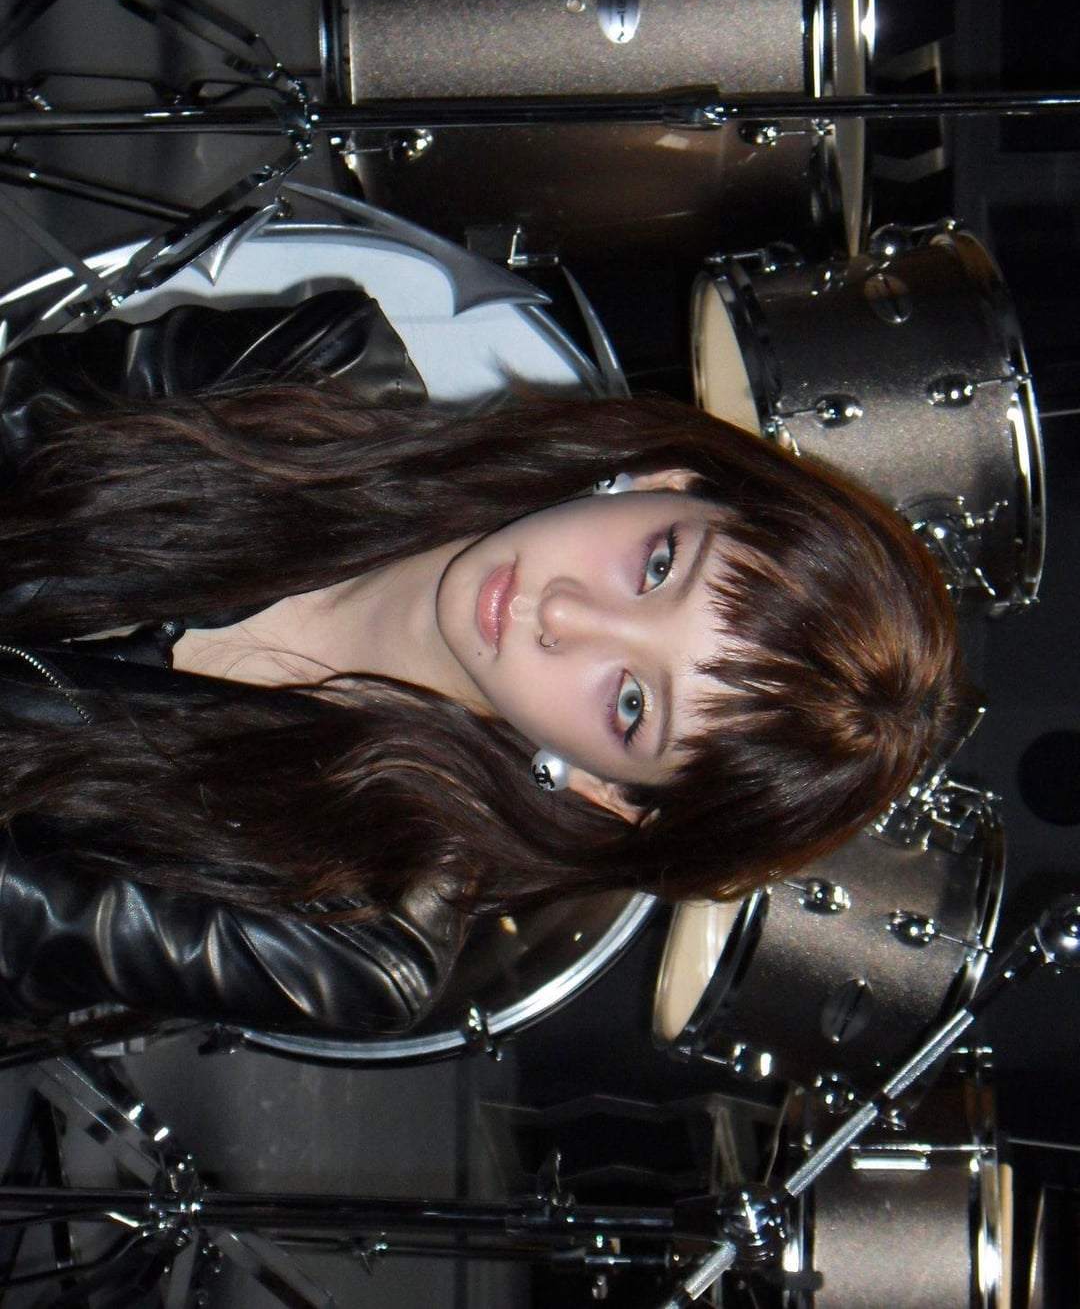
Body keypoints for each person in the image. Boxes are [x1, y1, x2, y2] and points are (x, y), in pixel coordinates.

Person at [0, 286, 963, 1039]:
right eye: (658, 565)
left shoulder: (356, 933)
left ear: (607, 791)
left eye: (632, 704)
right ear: (668, 481)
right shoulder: (321, 366)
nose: (566, 613)